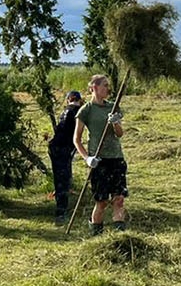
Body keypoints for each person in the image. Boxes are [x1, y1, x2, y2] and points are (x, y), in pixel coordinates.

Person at [74, 74, 127, 234]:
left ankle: (120, 238)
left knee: (119, 200)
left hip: (116, 158)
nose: (107, 88)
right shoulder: (86, 110)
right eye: (104, 85)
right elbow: (76, 139)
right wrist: (87, 158)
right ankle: (96, 234)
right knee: (102, 202)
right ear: (94, 88)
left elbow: (119, 134)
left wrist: (116, 122)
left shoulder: (112, 107)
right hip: (99, 161)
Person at [48, 90, 82, 223]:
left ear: (69, 99)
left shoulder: (68, 111)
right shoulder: (76, 111)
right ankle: (61, 212)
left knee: (62, 178)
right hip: (62, 148)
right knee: (63, 179)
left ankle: (62, 208)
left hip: (59, 147)